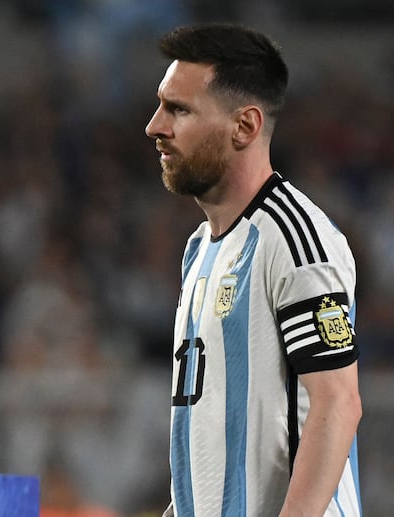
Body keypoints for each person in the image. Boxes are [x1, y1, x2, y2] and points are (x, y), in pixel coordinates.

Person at [144, 24, 362, 516]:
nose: (155, 125)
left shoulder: (295, 238)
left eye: (178, 109)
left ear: (244, 126)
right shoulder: (200, 249)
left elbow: (338, 403)